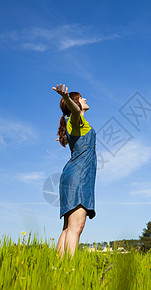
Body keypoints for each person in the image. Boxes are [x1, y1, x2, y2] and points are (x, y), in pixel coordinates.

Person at [52, 84, 97, 257]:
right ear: (76, 103)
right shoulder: (76, 120)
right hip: (79, 176)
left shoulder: (77, 124)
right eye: (82, 98)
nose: (85, 99)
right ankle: (71, 269)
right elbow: (76, 112)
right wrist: (66, 98)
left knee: (68, 227)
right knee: (76, 227)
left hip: (72, 175)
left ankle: (59, 267)